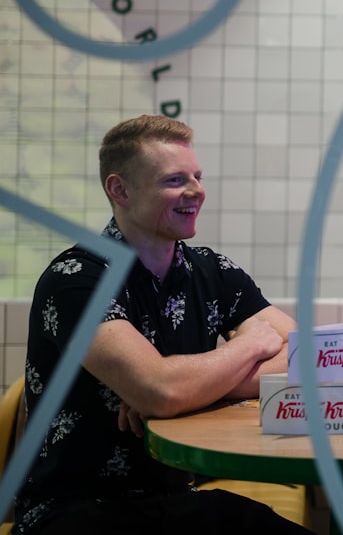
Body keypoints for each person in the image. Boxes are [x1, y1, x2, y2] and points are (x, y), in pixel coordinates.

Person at [16, 115, 312, 535]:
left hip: (176, 502)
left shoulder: (213, 270)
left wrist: (187, 390)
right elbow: (161, 390)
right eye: (174, 180)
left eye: (197, 176)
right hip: (76, 511)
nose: (196, 191)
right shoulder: (76, 280)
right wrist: (244, 348)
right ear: (120, 190)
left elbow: (308, 355)